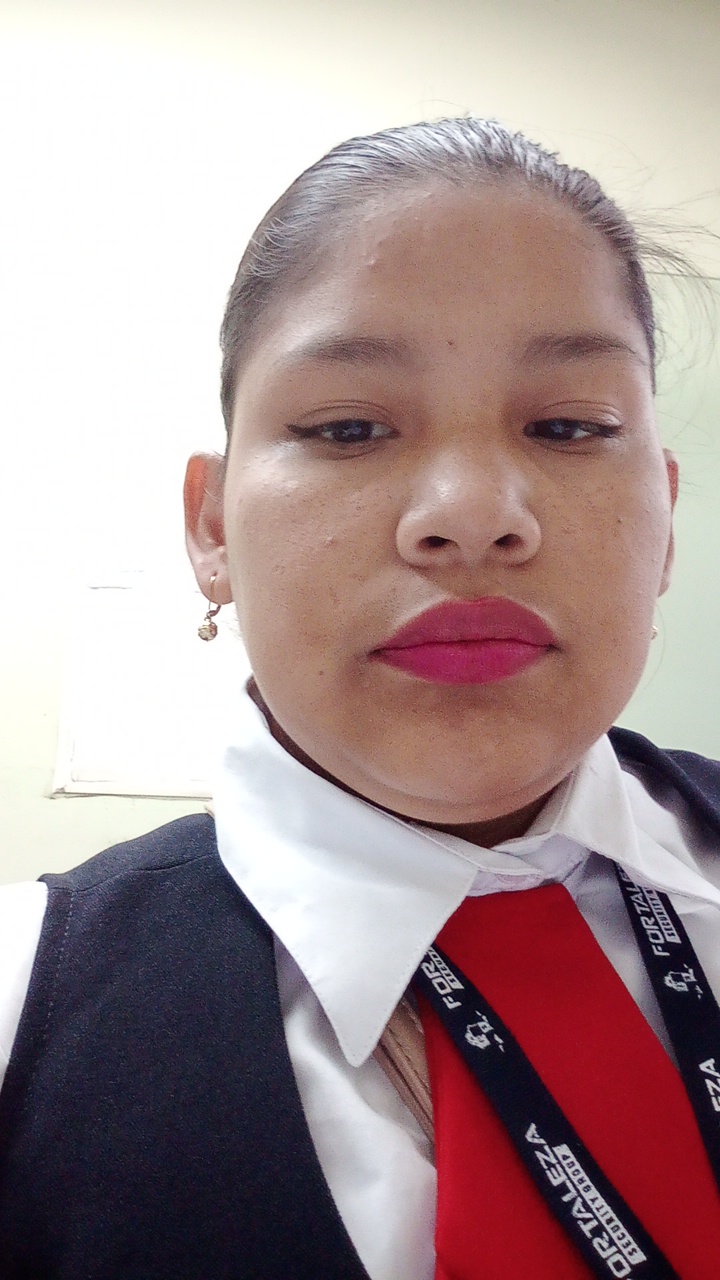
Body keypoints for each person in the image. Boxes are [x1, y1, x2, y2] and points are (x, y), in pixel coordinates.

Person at [1, 117, 719, 1280]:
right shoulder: (23, 1005)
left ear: (667, 517)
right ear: (211, 525)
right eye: (348, 427)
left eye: (570, 426)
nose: (475, 513)